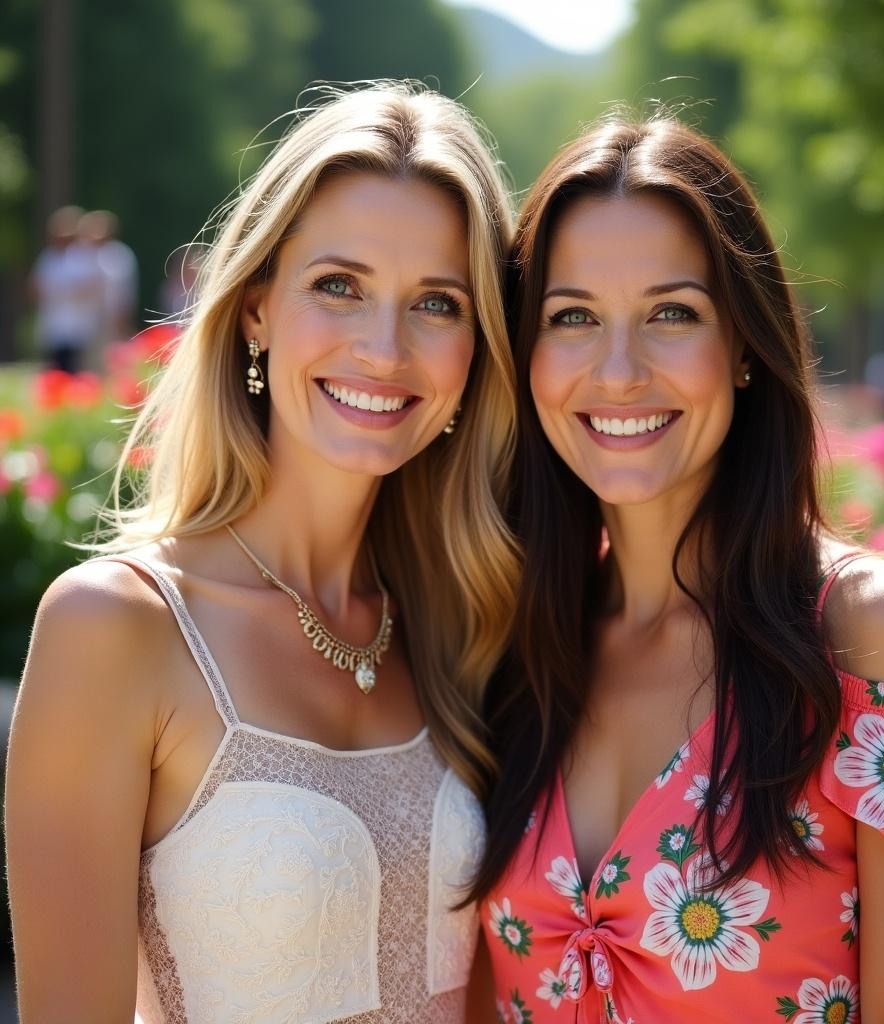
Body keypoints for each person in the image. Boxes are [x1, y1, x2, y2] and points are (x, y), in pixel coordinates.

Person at [471, 117, 884, 1024]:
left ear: (741, 349)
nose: (618, 371)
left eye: (671, 314)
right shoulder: (518, 642)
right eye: (572, 317)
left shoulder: (866, 633)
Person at [6, 82, 519, 1023]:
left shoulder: (466, 623)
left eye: (436, 303)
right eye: (339, 286)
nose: (383, 347)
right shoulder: (117, 626)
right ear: (253, 310)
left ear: (478, 347)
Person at [29, 204, 104, 373]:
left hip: (80, 329)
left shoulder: (86, 256)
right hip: (55, 327)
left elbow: (94, 287)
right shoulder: (49, 257)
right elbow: (35, 288)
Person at [80, 208, 139, 354]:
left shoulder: (119, 254)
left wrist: (122, 318)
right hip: (84, 324)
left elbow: (123, 291)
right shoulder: (80, 255)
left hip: (112, 321)